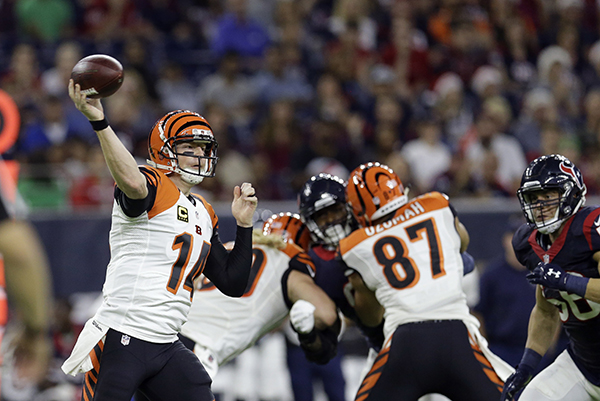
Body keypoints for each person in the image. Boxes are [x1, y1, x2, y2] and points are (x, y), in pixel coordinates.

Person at [61, 80, 258, 401]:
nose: (198, 156)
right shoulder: (153, 183)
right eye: (189, 149)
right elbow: (133, 184)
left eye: (203, 150)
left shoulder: (204, 211)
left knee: (196, 387)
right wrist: (100, 122)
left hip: (166, 343)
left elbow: (233, 283)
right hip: (122, 334)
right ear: (164, 150)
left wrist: (244, 226)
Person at [337, 161, 513, 400]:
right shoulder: (436, 204)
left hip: (405, 342)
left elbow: (371, 316)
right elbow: (462, 243)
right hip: (457, 336)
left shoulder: (354, 246)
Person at [133, 212, 340, 401]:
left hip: (158, 333)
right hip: (195, 350)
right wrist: (307, 331)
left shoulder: (233, 248)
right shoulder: (290, 266)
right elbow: (326, 315)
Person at [501, 154, 600, 401]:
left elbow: (561, 282)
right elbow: (546, 311)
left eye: (548, 196)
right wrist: (526, 367)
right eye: (534, 198)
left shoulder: (590, 228)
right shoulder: (529, 244)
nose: (540, 204)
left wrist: (568, 281)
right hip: (583, 365)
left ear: (571, 194)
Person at [289, 173, 381, 401]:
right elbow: (325, 350)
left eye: (335, 210)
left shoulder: (377, 234)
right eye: (322, 216)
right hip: (384, 345)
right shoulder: (318, 265)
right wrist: (309, 335)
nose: (331, 221)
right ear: (310, 223)